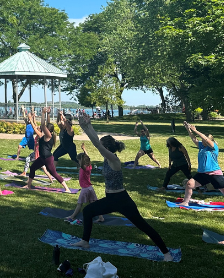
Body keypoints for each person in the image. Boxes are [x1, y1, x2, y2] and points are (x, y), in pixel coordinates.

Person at [71, 112, 173, 261]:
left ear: (107, 148)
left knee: (143, 226)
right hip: (111, 198)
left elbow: (97, 144)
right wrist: (87, 126)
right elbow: (98, 142)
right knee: (87, 212)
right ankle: (85, 242)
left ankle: (166, 253)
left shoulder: (114, 160)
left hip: (122, 199)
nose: (100, 148)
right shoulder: (107, 159)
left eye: (102, 146)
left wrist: (87, 127)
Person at [23, 107, 71, 192]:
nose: (43, 129)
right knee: (33, 167)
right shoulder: (46, 135)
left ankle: (67, 188)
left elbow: (43, 125)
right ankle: (29, 185)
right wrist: (48, 114)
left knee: (54, 173)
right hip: (42, 158)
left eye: (46, 129)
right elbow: (47, 124)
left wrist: (42, 113)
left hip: (48, 158)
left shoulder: (48, 136)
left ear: (49, 131)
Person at [180, 122, 224, 205]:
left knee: (222, 189)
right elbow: (194, 139)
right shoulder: (202, 146)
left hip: (214, 173)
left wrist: (196, 131)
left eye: (204, 140)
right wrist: (188, 129)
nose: (202, 141)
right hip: (202, 173)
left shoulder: (213, 147)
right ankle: (185, 202)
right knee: (189, 184)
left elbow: (206, 139)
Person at [65, 143, 104, 223]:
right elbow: (87, 158)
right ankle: (101, 217)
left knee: (79, 204)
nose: (78, 162)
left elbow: (85, 160)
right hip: (90, 188)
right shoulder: (88, 167)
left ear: (81, 161)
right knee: (94, 203)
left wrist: (84, 151)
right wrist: (84, 150)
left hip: (85, 189)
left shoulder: (84, 168)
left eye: (79, 160)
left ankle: (72, 216)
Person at [20, 110, 54, 182]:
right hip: (38, 152)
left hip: (39, 153)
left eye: (38, 127)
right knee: (40, 166)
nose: (37, 127)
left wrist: (30, 118)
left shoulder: (40, 135)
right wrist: (34, 118)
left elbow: (34, 127)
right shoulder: (42, 134)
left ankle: (26, 175)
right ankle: (51, 179)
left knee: (40, 166)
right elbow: (35, 125)